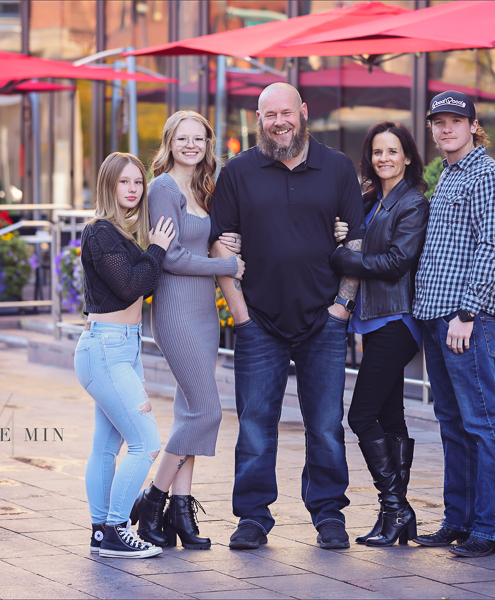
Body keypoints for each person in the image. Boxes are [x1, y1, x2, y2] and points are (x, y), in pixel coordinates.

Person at [209, 82, 365, 550]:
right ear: (259, 120)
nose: (279, 122)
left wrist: (342, 307)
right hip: (259, 321)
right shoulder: (238, 171)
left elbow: (355, 241)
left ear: (303, 112)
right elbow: (220, 241)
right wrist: (241, 316)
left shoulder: (337, 168)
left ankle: (329, 515)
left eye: (286, 113)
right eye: (269, 114)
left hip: (324, 320)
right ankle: (253, 517)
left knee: (324, 424)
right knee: (255, 423)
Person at [128, 111, 245, 550]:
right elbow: (172, 256)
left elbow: (210, 240)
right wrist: (226, 265)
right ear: (169, 142)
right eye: (183, 138)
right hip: (176, 310)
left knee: (189, 412)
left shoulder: (203, 187)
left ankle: (181, 509)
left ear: (207, 143)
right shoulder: (162, 188)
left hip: (203, 313)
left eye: (199, 138)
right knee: (207, 411)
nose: (191, 145)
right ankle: (152, 498)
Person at [412, 91, 495, 558]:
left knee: (483, 423)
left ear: (474, 126)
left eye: (456, 121)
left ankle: (491, 530)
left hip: (464, 319)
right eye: (439, 122)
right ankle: (459, 521)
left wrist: (468, 313)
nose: (446, 128)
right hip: (436, 316)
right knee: (452, 423)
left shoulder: (489, 175)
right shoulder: (447, 175)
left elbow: (492, 248)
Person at [329, 122, 429, 547]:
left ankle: (395, 507)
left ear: (407, 156)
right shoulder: (372, 199)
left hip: (396, 319)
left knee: (360, 415)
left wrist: (342, 259)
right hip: (374, 320)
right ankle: (397, 517)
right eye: (377, 152)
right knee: (390, 417)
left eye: (393, 151)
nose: (384, 158)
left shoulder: (413, 203)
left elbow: (395, 262)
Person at [75, 152, 176, 559]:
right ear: (108, 186)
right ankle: (117, 526)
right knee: (147, 442)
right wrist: (157, 250)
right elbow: (132, 286)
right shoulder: (101, 232)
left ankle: (102, 532)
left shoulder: (119, 233)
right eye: (125, 182)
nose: (133, 189)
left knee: (106, 446)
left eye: (138, 182)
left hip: (120, 346)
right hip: (107, 348)